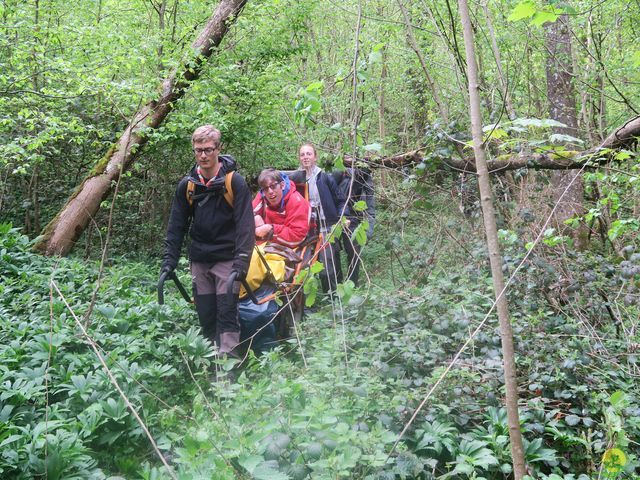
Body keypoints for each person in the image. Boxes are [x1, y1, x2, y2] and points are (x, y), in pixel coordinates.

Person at [161, 125, 255, 357]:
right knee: (206, 315)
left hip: (227, 259)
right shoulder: (188, 185)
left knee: (227, 315)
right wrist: (168, 261)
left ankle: (229, 369)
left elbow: (246, 226)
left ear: (218, 149)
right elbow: (176, 226)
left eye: (208, 150)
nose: (203, 155)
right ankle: (211, 363)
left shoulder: (235, 182)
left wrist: (241, 263)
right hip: (200, 259)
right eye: (198, 150)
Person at [295, 143, 345, 292]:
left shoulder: (324, 177)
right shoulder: (296, 180)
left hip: (326, 226)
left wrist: (341, 218)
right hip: (306, 230)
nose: (305, 157)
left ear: (315, 157)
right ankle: (305, 300)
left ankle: (333, 296)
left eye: (309, 154)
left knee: (328, 262)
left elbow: (341, 199)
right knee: (303, 264)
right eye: (302, 154)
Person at [333, 154, 376, 286]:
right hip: (334, 217)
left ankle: (352, 285)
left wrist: (369, 229)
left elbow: (370, 202)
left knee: (353, 252)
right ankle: (336, 286)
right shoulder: (336, 172)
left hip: (354, 217)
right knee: (333, 252)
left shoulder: (364, 176)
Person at [253, 168, 311, 248]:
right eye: (266, 188)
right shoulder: (263, 195)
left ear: (282, 185)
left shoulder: (296, 201)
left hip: (290, 246)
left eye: (273, 186)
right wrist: (255, 216)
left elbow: (297, 236)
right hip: (267, 243)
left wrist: (271, 229)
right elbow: (248, 212)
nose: (270, 191)